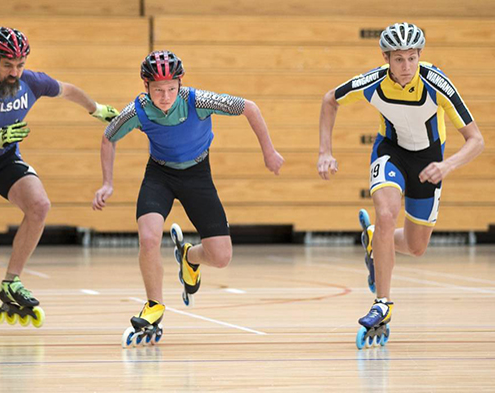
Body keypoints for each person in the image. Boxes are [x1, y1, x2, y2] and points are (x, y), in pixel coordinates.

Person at [92, 50, 284, 347]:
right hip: (160, 176)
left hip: (198, 175)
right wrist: (107, 183)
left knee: (221, 257)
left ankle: (188, 256)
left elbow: (250, 108)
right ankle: (154, 305)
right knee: (149, 237)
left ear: (181, 83)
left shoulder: (198, 100)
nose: (165, 96)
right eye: (158, 90)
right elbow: (108, 137)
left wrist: (269, 152)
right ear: (146, 87)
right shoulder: (136, 111)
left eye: (171, 88)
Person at [0, 27, 119, 326]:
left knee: (40, 205)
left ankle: (10, 283)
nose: (15, 71)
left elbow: (67, 89)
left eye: (20, 64)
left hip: (3, 159)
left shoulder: (32, 81)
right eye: (8, 65)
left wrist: (95, 109)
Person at [317, 22, 484, 348]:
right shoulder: (373, 82)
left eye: (412, 58)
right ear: (386, 58)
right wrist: (325, 152)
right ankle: (383, 302)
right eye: (398, 59)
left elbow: (476, 140)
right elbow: (329, 100)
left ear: (420, 56)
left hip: (430, 161)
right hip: (390, 153)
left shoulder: (437, 82)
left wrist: (447, 165)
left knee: (415, 246)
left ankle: (372, 240)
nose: (406, 67)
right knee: (386, 213)